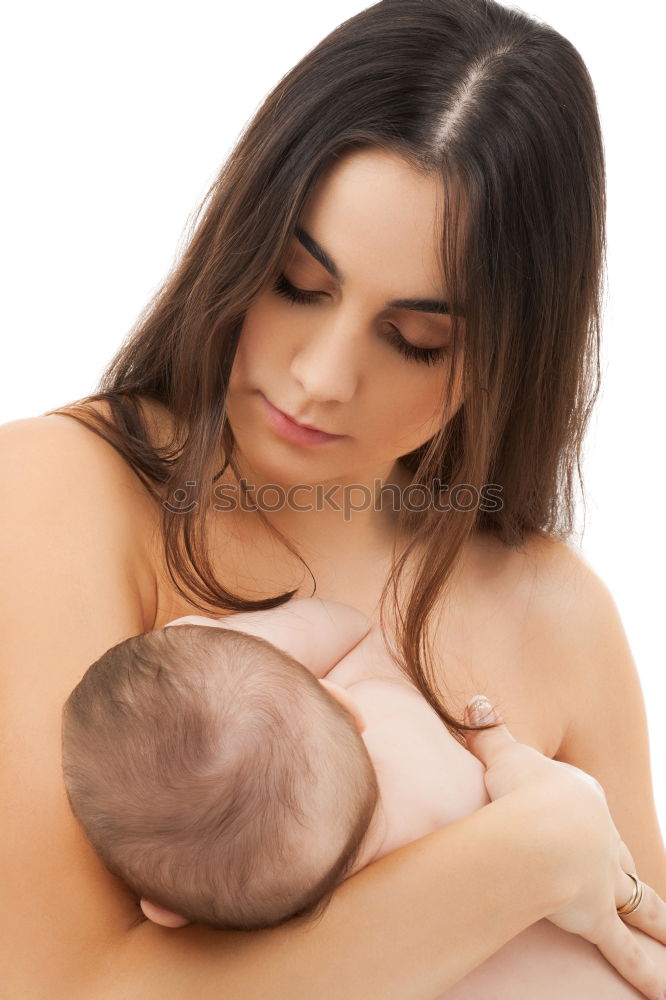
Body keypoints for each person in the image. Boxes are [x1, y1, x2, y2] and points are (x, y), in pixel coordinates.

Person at [3, 0, 666, 997]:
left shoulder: (559, 613)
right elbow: (64, 985)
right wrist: (525, 856)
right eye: (296, 281)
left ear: (506, 360)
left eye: (414, 340)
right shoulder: (59, 492)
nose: (318, 376)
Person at [61, 597, 491, 932]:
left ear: (166, 912)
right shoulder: (396, 718)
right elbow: (347, 625)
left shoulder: (319, 963)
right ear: (345, 706)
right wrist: (211, 633)